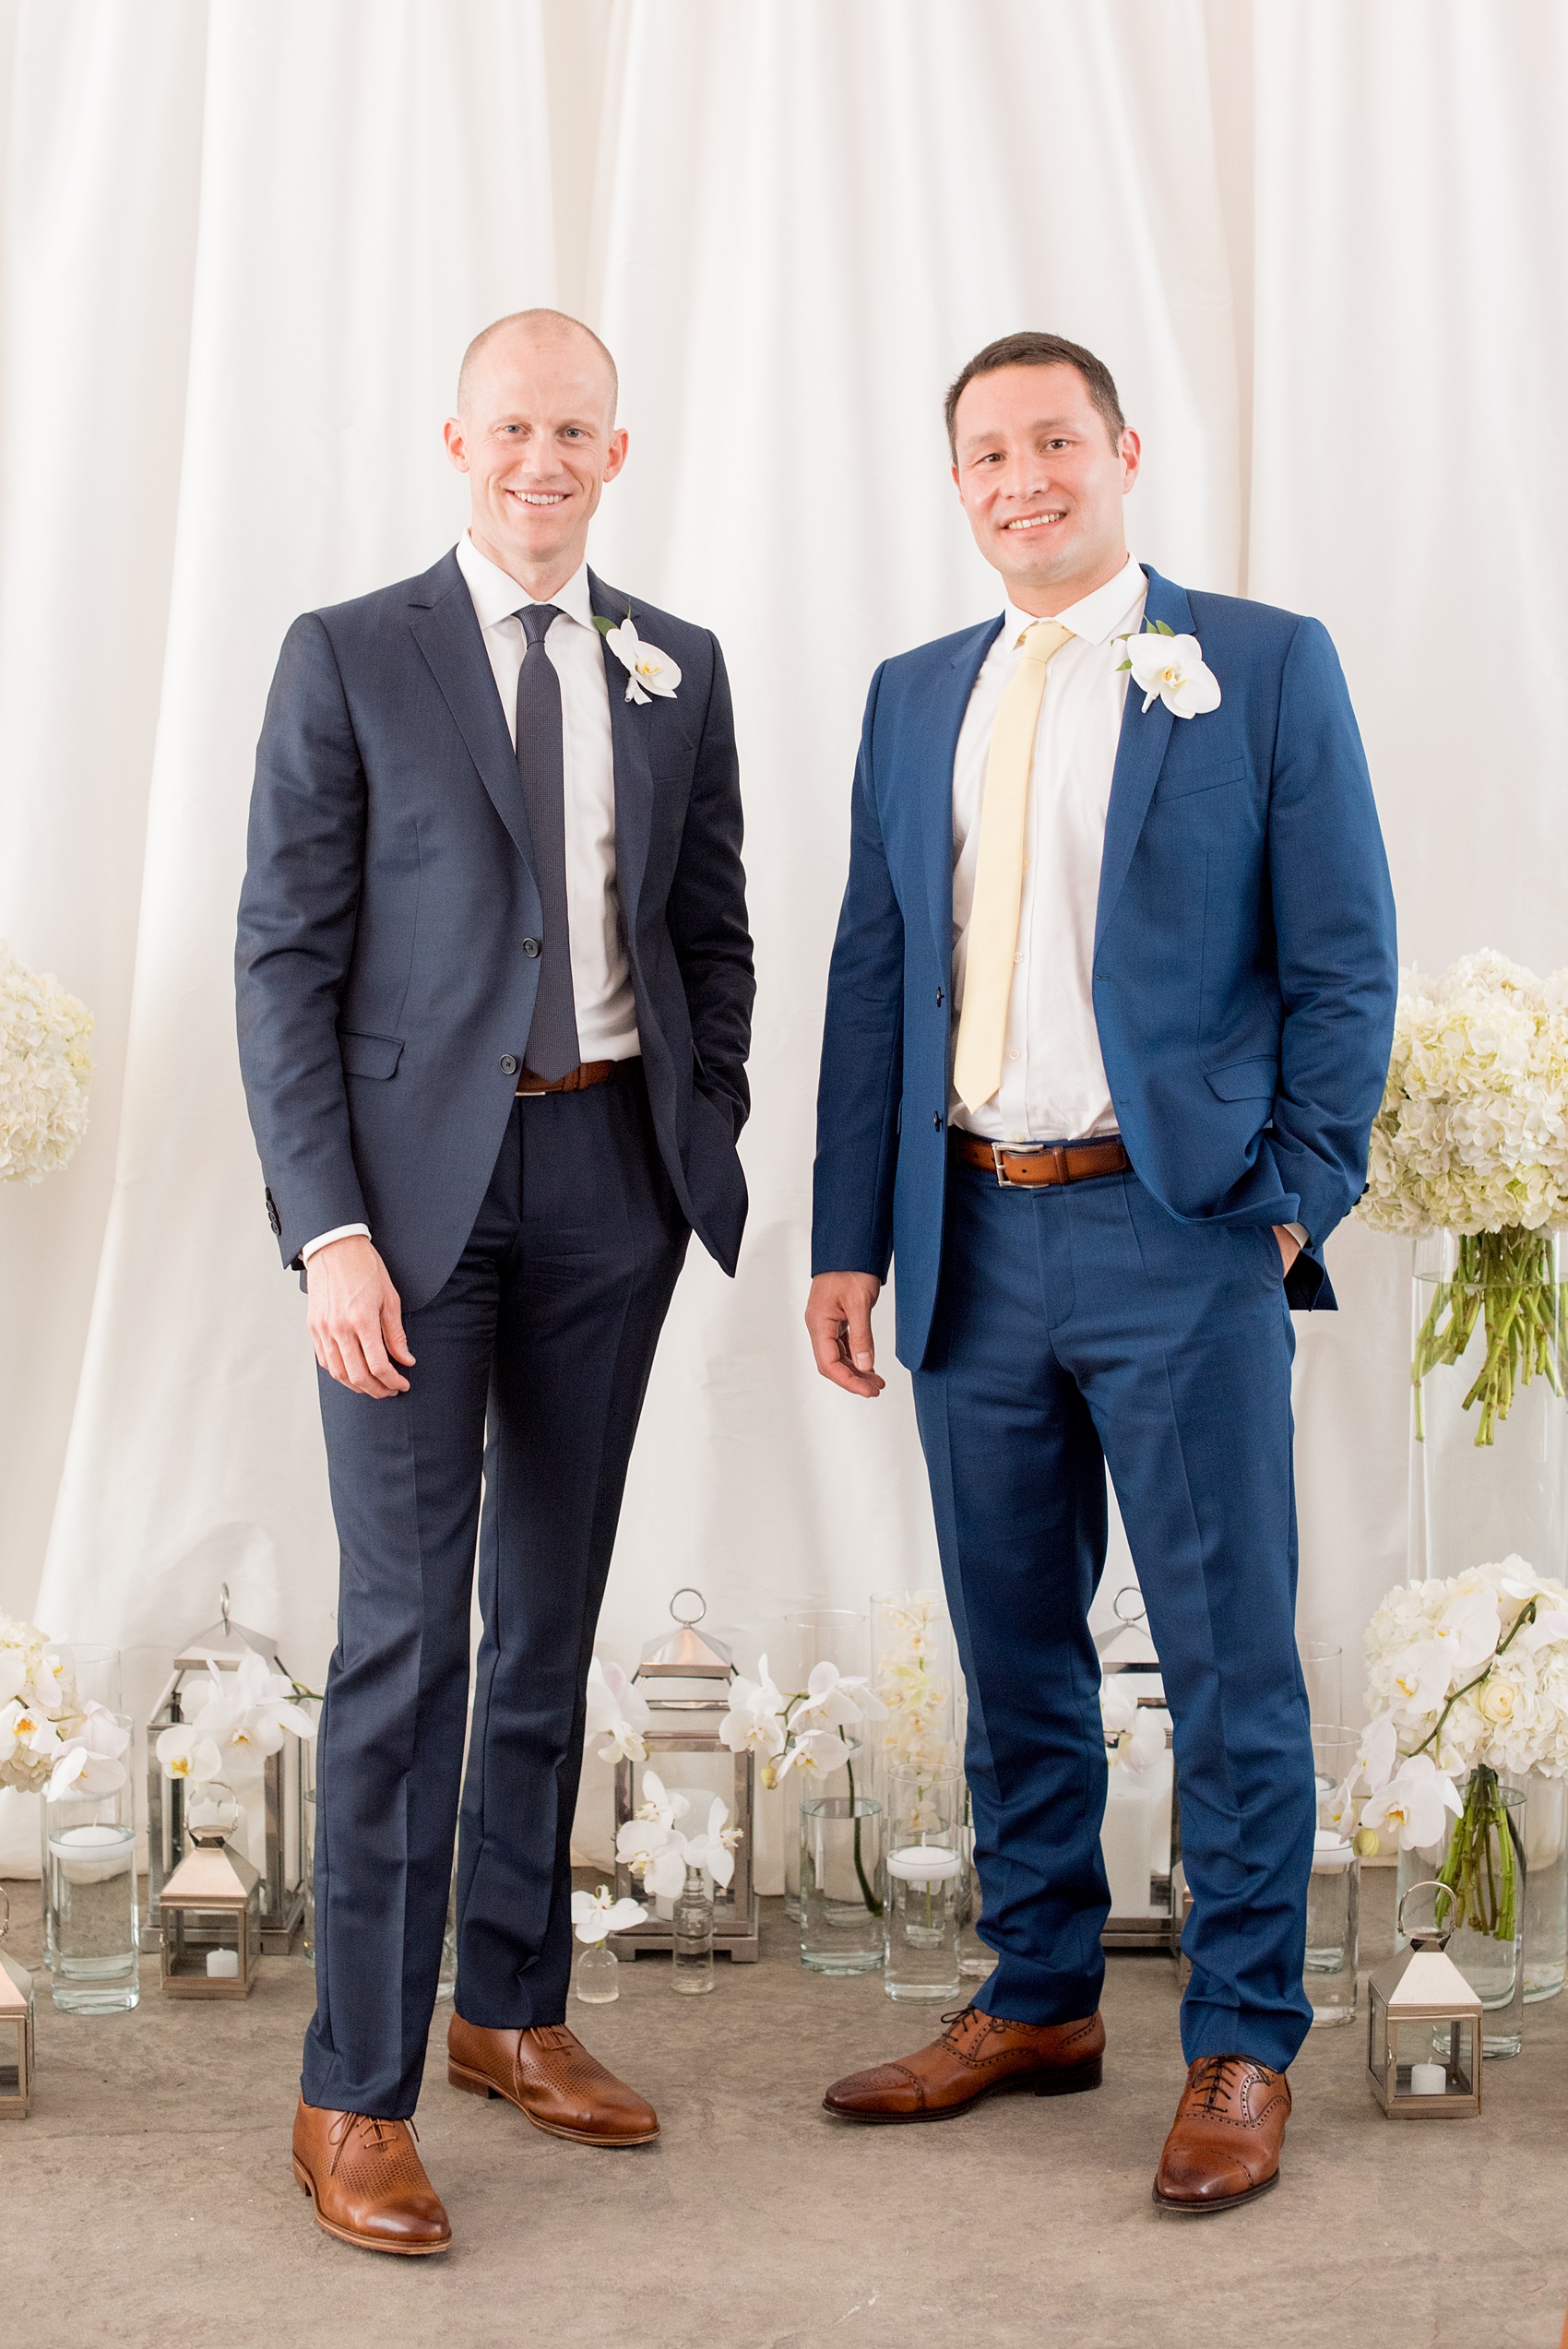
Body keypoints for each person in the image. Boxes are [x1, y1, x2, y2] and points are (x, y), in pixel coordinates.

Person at [805, 331, 1396, 2214]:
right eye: (984, 452)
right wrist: (847, 1236)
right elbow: (870, 981)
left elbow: (1342, 957)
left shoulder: (1263, 662)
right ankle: (1040, 1988)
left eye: (1052, 440)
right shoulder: (912, 698)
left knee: (1227, 1657)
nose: (1019, 478)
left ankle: (1238, 2032)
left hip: (1182, 1229)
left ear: (1122, 450)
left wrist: (1294, 1194)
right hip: (971, 1232)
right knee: (1013, 1649)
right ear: (956, 482)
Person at [237, 310, 753, 2254]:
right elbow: (280, 957)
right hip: (404, 1211)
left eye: (578, 430)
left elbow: (714, 926)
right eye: (514, 423)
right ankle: (348, 2088)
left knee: (546, 1624)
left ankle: (509, 2007)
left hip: (610, 1181)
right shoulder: (349, 652)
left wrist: (699, 1118)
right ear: (456, 436)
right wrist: (330, 1228)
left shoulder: (677, 661)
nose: (543, 457)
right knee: (404, 1641)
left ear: (619, 454)